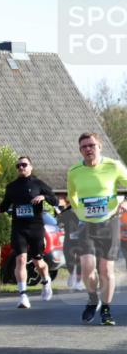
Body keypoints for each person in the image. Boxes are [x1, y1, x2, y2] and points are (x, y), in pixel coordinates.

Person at [66, 132, 127, 325]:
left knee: (106, 270)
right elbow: (71, 195)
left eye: (91, 145)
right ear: (80, 150)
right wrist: (79, 212)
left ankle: (106, 310)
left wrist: (125, 203)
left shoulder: (113, 166)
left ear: (100, 147)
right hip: (87, 224)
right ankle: (93, 299)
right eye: (84, 147)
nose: (88, 149)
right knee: (87, 268)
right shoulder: (74, 171)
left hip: (109, 222)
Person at [0, 156, 59, 308]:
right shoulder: (12, 186)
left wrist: (44, 196)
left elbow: (54, 200)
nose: (21, 167)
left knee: (38, 262)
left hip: (35, 227)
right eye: (18, 165)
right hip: (19, 227)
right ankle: (23, 296)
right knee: (20, 259)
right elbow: (6, 203)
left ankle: (46, 280)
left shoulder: (38, 183)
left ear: (30, 167)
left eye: (24, 165)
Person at [57, 196, 87, 290]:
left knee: (79, 260)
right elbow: (59, 223)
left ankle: (79, 282)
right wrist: (60, 224)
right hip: (68, 240)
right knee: (69, 260)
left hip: (81, 240)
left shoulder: (84, 212)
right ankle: (71, 274)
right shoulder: (65, 213)